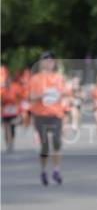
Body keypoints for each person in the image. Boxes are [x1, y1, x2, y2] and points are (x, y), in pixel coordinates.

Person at [29, 52, 67, 185]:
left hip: (56, 115)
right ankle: (43, 171)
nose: (49, 63)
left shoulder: (58, 78)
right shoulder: (35, 79)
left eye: (51, 61)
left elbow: (63, 95)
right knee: (45, 146)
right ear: (41, 63)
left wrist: (66, 118)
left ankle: (56, 170)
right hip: (41, 115)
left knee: (57, 142)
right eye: (46, 61)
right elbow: (32, 97)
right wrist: (43, 95)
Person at [1, 71, 22, 151]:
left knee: (12, 129)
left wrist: (19, 111)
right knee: (6, 129)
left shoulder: (14, 89)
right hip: (5, 113)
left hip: (13, 112)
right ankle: (7, 144)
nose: (7, 83)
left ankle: (12, 142)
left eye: (9, 81)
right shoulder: (2, 91)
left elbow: (18, 100)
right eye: (6, 82)